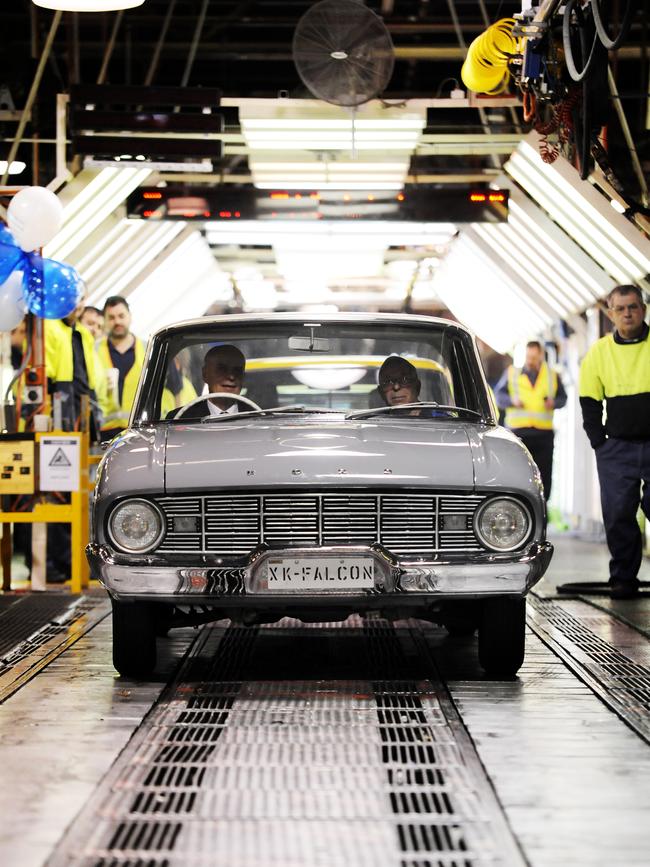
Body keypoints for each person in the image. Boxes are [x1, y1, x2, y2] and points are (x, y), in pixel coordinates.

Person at [579, 284, 650, 599]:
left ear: (643, 309)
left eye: (633, 307)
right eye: (620, 309)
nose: (627, 313)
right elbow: (590, 402)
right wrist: (600, 443)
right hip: (617, 448)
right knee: (619, 514)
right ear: (611, 314)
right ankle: (623, 578)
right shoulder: (599, 352)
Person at [494, 340, 567, 500]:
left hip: (543, 434)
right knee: (516, 472)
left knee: (543, 475)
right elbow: (499, 396)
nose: (531, 361)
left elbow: (563, 398)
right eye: (528, 357)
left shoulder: (552, 375)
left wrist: (553, 403)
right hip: (519, 434)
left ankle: (542, 510)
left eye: (534, 357)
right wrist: (512, 401)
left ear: (541, 355)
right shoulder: (512, 373)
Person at [97, 296, 146, 440]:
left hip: (139, 431)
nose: (117, 321)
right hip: (103, 432)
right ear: (105, 321)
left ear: (130, 317)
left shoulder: (148, 349)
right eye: (111, 317)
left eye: (121, 316)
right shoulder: (93, 350)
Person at [168, 344, 246, 419]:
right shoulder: (179, 419)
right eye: (222, 369)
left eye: (237, 370)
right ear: (205, 374)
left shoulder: (257, 417)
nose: (231, 376)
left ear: (243, 377)